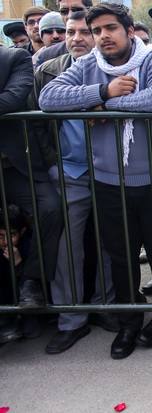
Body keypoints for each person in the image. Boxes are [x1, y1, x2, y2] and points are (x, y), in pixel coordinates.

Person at [39, 2, 152, 360]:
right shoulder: (88, 64)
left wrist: (106, 108)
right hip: (108, 180)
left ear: (128, 31)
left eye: (111, 28)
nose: (103, 36)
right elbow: (48, 98)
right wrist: (102, 93)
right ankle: (129, 321)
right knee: (120, 256)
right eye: (97, 30)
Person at [30, 10, 117, 354]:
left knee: (111, 243)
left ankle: (107, 306)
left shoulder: (114, 67)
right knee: (68, 250)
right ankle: (71, 320)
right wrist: (52, 163)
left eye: (86, 31)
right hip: (68, 172)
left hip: (110, 170)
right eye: (71, 32)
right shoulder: (48, 70)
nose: (77, 38)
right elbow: (38, 118)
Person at [0, 45, 62, 311]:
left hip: (15, 167)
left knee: (51, 207)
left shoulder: (14, 57)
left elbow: (13, 99)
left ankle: (32, 282)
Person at [34, 0, 94, 66]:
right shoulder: (47, 56)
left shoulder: (108, 49)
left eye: (76, 10)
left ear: (90, 10)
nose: (69, 15)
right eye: (64, 11)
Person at [0, 204, 31, 343]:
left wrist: (18, 264)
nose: (5, 242)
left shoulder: (28, 246)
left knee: (31, 331)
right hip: (4, 301)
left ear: (22, 232)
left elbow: (35, 284)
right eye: (0, 236)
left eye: (11, 235)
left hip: (22, 304)